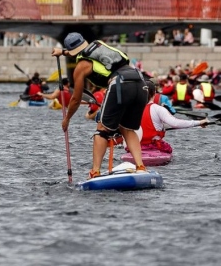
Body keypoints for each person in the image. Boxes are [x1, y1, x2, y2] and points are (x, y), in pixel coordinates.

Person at [53, 32, 149, 178]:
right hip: (141, 83)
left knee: (102, 131)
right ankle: (141, 167)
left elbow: (75, 99)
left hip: (119, 84)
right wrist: (62, 52)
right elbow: (79, 51)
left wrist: (67, 119)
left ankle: (95, 172)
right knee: (126, 128)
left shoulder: (81, 66)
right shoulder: (97, 45)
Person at [136, 80, 207, 154]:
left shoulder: (132, 109)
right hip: (155, 146)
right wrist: (199, 122)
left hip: (136, 147)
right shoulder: (158, 109)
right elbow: (176, 123)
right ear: (154, 93)